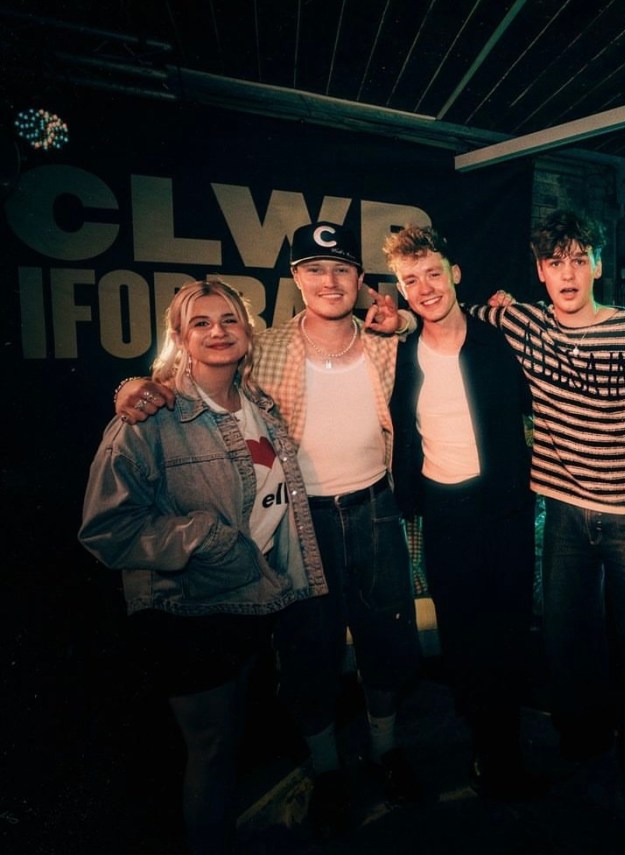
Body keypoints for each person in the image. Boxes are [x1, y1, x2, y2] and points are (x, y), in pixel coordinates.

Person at [113, 223, 423, 834]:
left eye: (341, 269)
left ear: (360, 280)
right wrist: (133, 387)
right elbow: (192, 376)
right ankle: (327, 770)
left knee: (388, 641)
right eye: (315, 269)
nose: (329, 281)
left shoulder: (387, 340)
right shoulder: (264, 348)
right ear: (296, 279)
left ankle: (386, 751)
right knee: (309, 653)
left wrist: (405, 320)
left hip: (376, 509)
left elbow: (431, 325)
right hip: (299, 521)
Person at [80, 279, 327, 854]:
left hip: (252, 602)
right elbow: (106, 529)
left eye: (229, 320)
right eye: (201, 322)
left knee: (232, 742)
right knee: (211, 750)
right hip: (190, 610)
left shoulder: (260, 407)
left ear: (247, 333)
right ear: (180, 337)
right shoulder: (150, 418)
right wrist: (206, 539)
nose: (218, 331)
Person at [473, 210, 625, 811]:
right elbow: (452, 316)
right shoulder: (523, 321)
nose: (567, 273)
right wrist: (401, 318)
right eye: (555, 262)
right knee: (566, 641)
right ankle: (583, 744)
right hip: (563, 511)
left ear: (597, 265)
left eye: (578, 260)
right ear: (540, 271)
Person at [383, 225, 543, 800]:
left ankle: (504, 745)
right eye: (411, 280)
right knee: (462, 635)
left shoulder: (500, 339)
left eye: (433, 273)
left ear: (454, 274)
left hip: (503, 508)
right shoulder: (399, 354)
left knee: (509, 630)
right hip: (443, 511)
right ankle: (483, 739)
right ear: (402, 291)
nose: (425, 287)